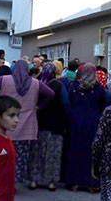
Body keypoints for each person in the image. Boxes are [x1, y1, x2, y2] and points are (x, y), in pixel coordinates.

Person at [0, 59, 54, 185]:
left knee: (0, 156)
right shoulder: (36, 83)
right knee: (18, 157)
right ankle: (13, 181)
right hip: (25, 127)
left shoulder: (4, 80)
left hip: (3, 127)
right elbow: (50, 94)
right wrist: (39, 106)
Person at [63, 63, 111, 193]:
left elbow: (69, 103)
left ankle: (74, 182)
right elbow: (102, 105)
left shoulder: (74, 86)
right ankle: (92, 183)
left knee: (75, 150)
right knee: (91, 152)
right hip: (93, 121)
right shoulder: (98, 88)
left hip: (76, 121)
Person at [29, 61, 67, 191]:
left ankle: (34, 179)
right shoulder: (58, 85)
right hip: (56, 124)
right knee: (53, 153)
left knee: (37, 151)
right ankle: (51, 181)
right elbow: (65, 103)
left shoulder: (36, 84)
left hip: (39, 122)